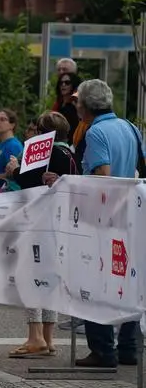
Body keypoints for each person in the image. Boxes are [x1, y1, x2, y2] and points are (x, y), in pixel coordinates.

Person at [75, 78, 145, 367]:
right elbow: (140, 167)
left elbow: (102, 174)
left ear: (86, 107)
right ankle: (129, 347)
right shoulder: (130, 127)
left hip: (104, 218)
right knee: (129, 279)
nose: (76, 105)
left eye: (79, 101)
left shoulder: (96, 133)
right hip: (132, 215)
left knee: (97, 282)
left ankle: (103, 349)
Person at [4, 112, 77, 358]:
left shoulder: (47, 152)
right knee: (50, 277)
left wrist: (14, 170)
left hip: (39, 223)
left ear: (44, 133)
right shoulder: (70, 153)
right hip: (59, 225)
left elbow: (29, 181)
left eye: (36, 130)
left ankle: (34, 336)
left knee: (29, 274)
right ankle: (48, 337)